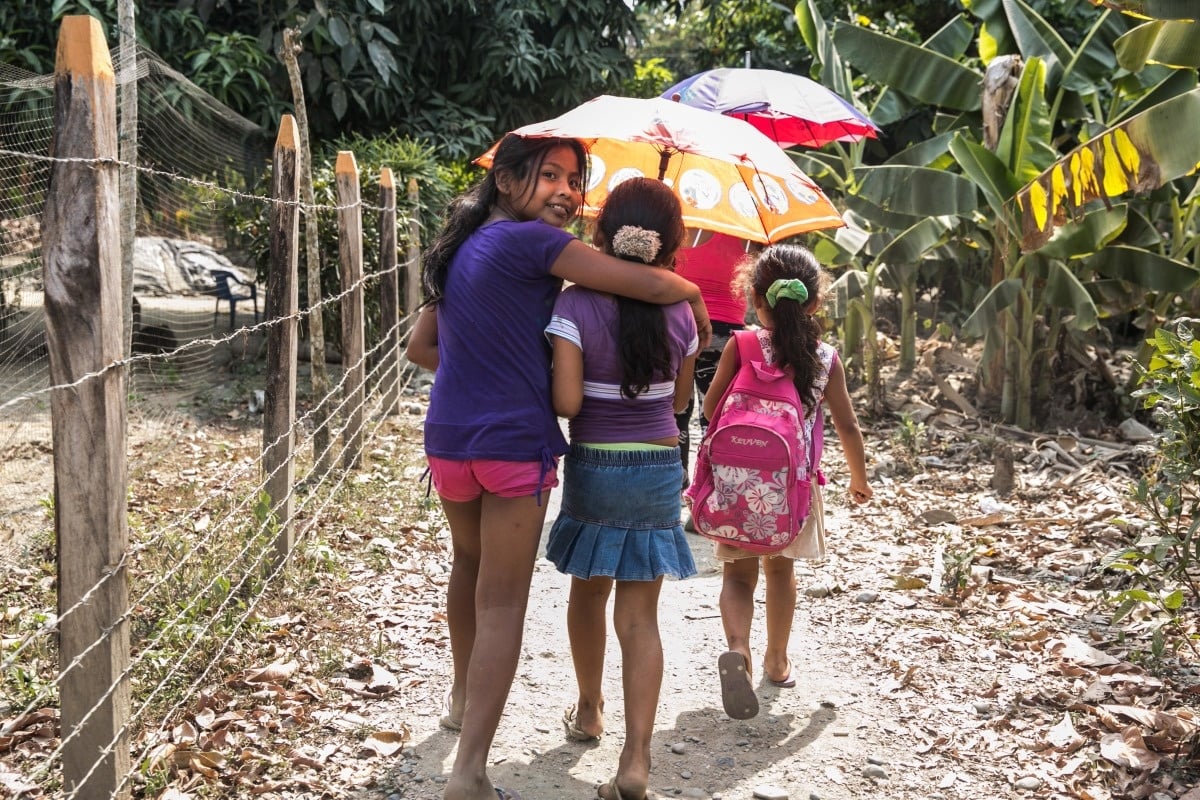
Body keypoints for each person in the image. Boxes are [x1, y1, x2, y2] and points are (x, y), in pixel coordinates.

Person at [404, 133, 711, 800]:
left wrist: (487, 367)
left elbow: (422, 346)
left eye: (576, 180)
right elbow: (638, 282)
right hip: (512, 445)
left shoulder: (460, 244)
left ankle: (461, 700)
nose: (568, 193)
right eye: (551, 177)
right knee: (504, 602)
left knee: (469, 565)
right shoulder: (532, 243)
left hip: (448, 438)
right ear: (508, 181)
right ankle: (469, 773)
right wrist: (692, 289)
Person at [543, 178, 697, 800]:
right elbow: (681, 402)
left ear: (603, 233)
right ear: (673, 241)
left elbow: (567, 401)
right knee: (641, 617)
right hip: (659, 464)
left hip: (596, 463)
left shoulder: (574, 304)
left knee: (589, 593)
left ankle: (588, 708)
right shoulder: (685, 311)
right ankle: (636, 760)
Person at [699, 244, 871, 720]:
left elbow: (712, 408)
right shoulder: (825, 357)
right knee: (781, 572)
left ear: (756, 299)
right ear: (816, 303)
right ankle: (777, 660)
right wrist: (859, 478)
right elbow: (847, 427)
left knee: (737, 574)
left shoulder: (743, 345)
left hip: (737, 484)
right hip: (792, 488)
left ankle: (740, 650)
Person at [672, 231, 755, 492]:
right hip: (726, 337)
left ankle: (674, 488)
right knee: (716, 418)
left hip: (682, 325)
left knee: (676, 413)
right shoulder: (750, 234)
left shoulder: (683, 226)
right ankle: (706, 496)